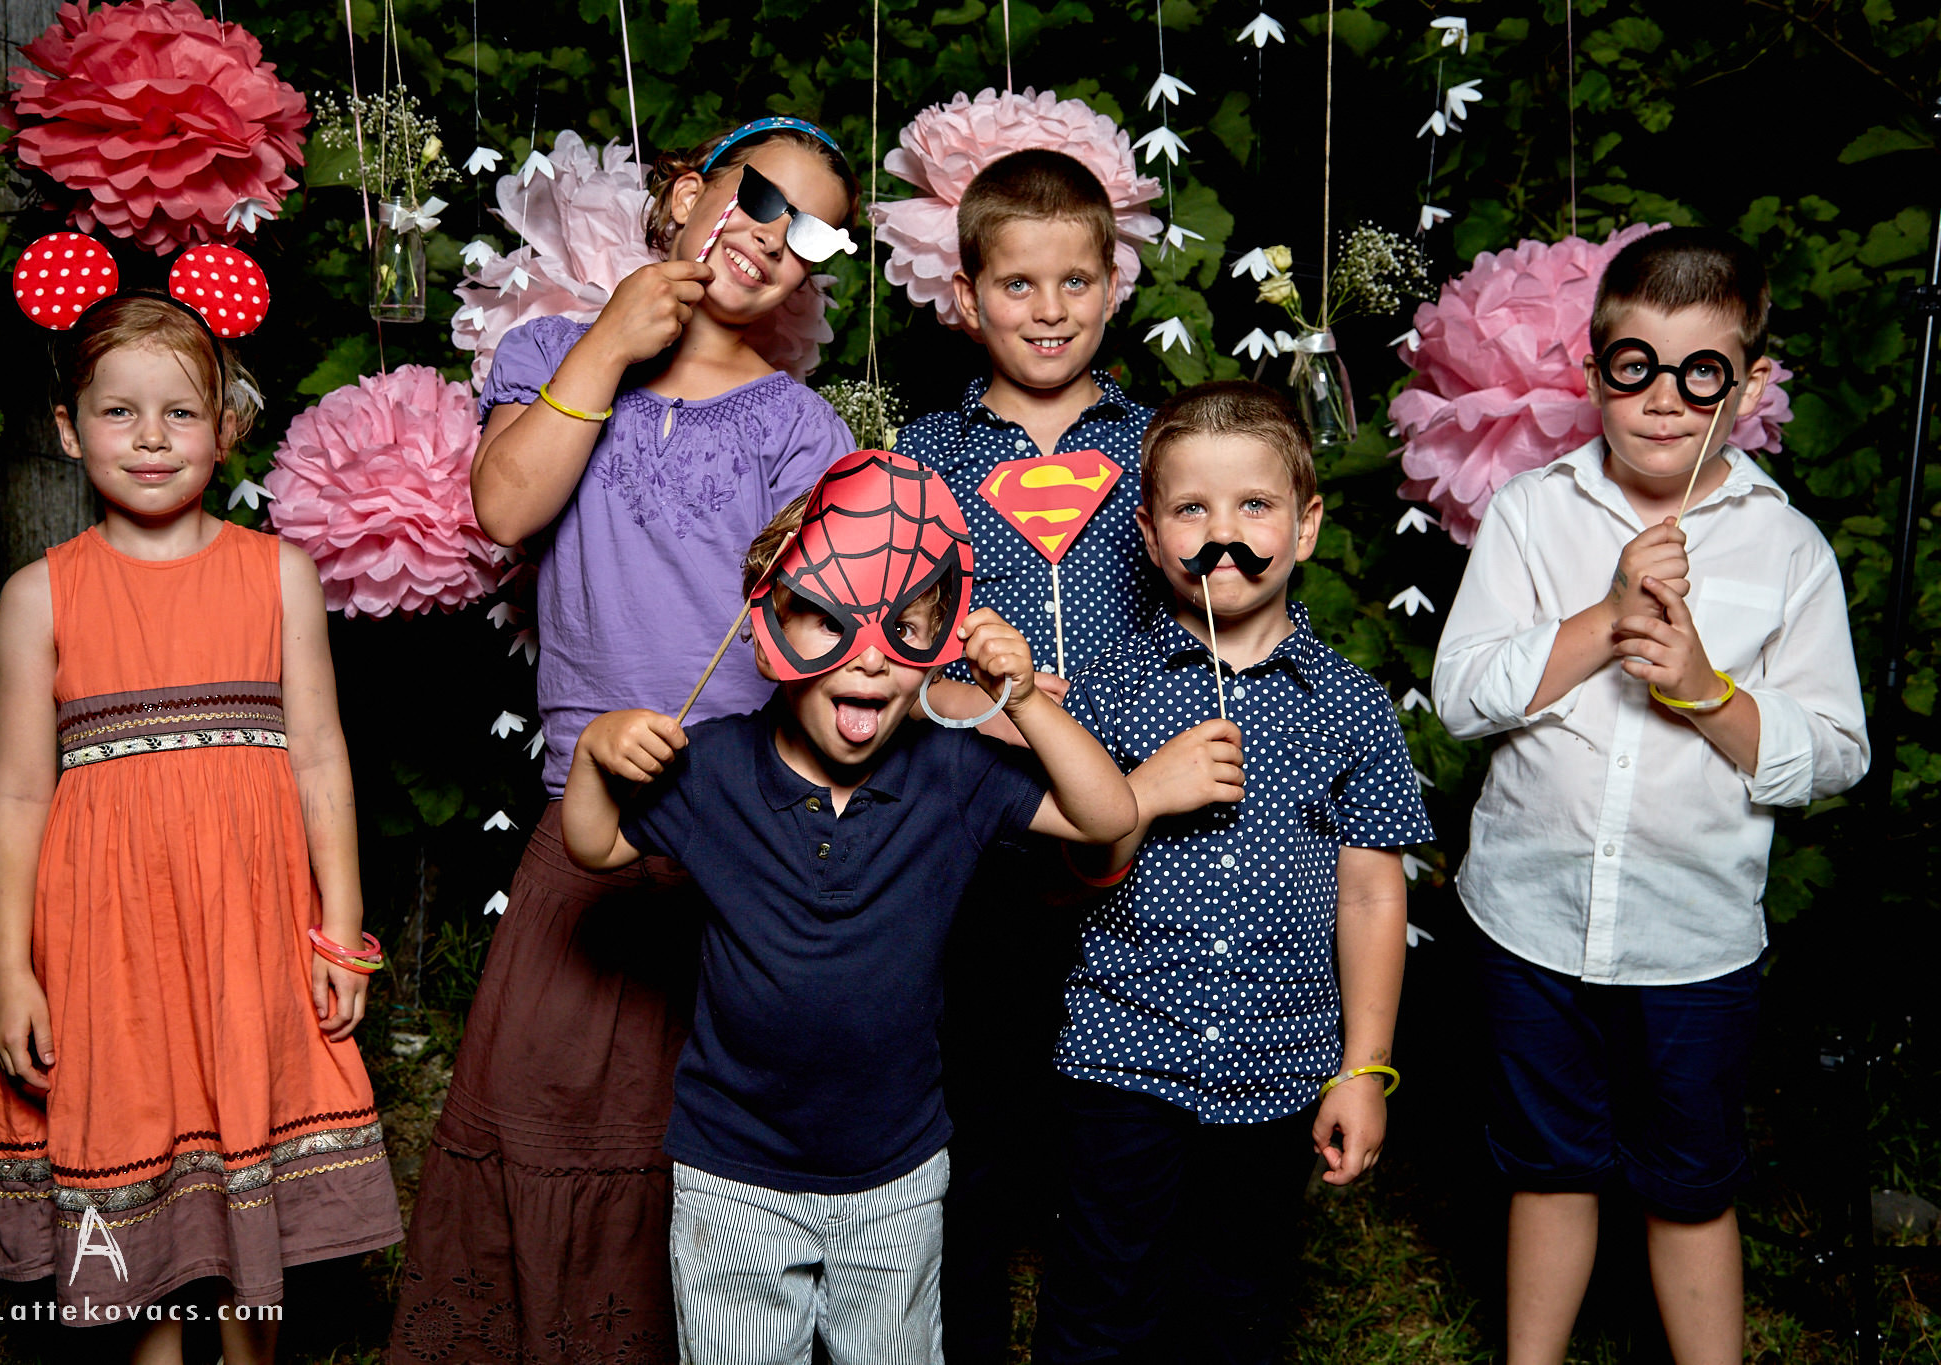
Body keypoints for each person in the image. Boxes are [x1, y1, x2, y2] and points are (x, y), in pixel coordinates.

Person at [387, 117, 859, 1365]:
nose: (776, 237)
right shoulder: (551, 349)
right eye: (759, 198)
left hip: (741, 821)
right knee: (540, 1090)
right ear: (688, 190)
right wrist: (608, 341)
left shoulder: (798, 427)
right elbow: (506, 507)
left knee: (709, 1123)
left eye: (812, 234)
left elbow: (816, 639)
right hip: (589, 803)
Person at [562, 451, 1137, 1365]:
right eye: (829, 621)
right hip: (732, 1168)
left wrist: (1022, 700)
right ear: (768, 628)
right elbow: (594, 847)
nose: (868, 654)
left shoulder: (953, 769)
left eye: (903, 626)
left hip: (898, 1171)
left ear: (938, 640)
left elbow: (1108, 819)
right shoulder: (713, 767)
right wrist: (596, 750)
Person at [1431, 227, 1869, 1365]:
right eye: (1635, 368)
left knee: (1689, 1183)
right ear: (1594, 375)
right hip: (1529, 921)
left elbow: (1834, 753)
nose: (1663, 400)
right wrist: (1606, 618)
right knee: (1549, 1167)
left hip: (1691, 939)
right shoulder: (1531, 513)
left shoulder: (1785, 551)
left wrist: (1704, 691)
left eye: (1699, 372)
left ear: (1748, 386)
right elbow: (1463, 697)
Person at [0, 293, 401, 1360]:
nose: (151, 438)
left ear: (226, 428)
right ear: (70, 430)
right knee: (138, 1133)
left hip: (247, 926)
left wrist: (341, 929)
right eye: (118, 412)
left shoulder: (279, 574)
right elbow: (20, 792)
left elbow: (320, 756)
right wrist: (9, 967)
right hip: (108, 938)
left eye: (179, 412)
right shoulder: (38, 597)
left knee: (246, 1131)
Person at [1034, 381, 1432, 1364]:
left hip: (1277, 1067)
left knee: (1236, 1307)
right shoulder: (1109, 692)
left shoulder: (1350, 708)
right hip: (1122, 1056)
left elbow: (1371, 893)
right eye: (1191, 509)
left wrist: (1363, 1069)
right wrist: (1139, 797)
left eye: (1254, 505)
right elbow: (1064, 872)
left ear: (1305, 525)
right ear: (1147, 533)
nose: (1223, 535)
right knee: (1098, 1305)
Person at [889, 147, 1160, 1361]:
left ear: (1113, 286)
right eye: (1015, 284)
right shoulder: (923, 457)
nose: (1047, 310)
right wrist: (982, 708)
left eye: (1073, 281)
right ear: (965, 296)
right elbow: (886, 649)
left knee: (1115, 1133)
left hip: (1144, 831)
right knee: (981, 1124)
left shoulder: (1157, 447)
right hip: (982, 834)